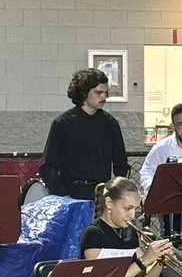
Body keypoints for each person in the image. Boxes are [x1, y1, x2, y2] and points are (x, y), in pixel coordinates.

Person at [41, 68, 130, 200]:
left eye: (106, 93)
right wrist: (63, 196)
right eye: (98, 93)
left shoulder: (110, 123)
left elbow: (120, 163)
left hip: (101, 193)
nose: (104, 97)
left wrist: (116, 193)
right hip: (71, 193)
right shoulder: (62, 123)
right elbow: (48, 166)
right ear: (83, 93)